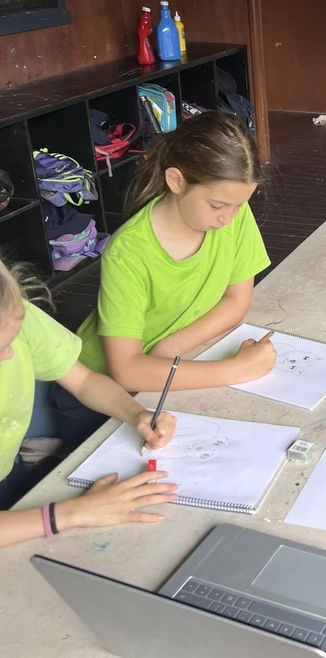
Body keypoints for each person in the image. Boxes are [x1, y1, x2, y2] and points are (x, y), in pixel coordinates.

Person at [53, 112, 277, 447]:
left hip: (165, 372)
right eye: (217, 205)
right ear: (176, 181)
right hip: (99, 398)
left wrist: (170, 347)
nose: (228, 219)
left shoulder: (232, 211)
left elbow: (236, 300)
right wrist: (235, 370)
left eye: (239, 205)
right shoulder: (129, 251)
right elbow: (127, 371)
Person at [0, 257, 178, 542]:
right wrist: (74, 513)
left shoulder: (12, 313)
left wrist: (136, 414)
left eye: (11, 341)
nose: (9, 355)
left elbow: (84, 381)